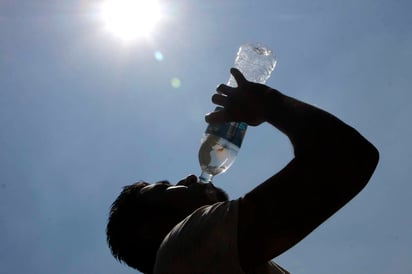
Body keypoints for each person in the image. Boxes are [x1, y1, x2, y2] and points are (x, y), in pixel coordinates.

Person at [106, 68, 379, 274]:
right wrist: (270, 103)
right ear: (148, 229)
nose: (187, 177)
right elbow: (346, 157)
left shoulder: (215, 260)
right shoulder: (181, 246)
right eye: (165, 187)